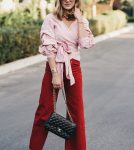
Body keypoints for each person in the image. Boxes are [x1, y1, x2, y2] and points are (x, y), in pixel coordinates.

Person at [29, 0, 95, 149]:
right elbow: (49, 47)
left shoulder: (82, 20)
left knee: (76, 113)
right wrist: (54, 74)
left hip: (74, 67)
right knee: (44, 111)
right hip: (54, 65)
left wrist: (79, 20)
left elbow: (85, 44)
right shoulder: (50, 19)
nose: (67, 0)